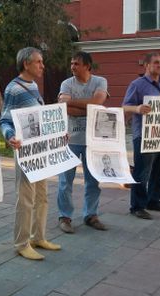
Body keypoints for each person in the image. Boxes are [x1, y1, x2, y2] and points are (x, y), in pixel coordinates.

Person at [0, 47, 61, 261]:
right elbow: (5, 120)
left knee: (42, 197)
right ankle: (21, 243)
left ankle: (38, 237)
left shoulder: (34, 85)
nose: (42, 66)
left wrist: (58, 135)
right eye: (39, 62)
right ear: (26, 64)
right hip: (25, 151)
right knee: (26, 199)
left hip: (40, 151)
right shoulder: (13, 89)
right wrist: (9, 136)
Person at [57, 51, 109, 233]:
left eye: (76, 64)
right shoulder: (66, 83)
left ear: (87, 66)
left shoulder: (100, 81)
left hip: (93, 140)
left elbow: (99, 101)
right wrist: (90, 108)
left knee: (93, 179)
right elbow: (64, 107)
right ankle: (64, 217)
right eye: (71, 63)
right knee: (65, 181)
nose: (72, 67)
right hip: (70, 139)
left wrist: (73, 102)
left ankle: (91, 215)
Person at [122, 52, 160, 220]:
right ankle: (137, 206)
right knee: (142, 173)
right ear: (146, 65)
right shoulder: (137, 84)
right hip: (144, 136)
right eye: (156, 62)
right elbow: (125, 107)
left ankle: (153, 200)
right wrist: (137, 109)